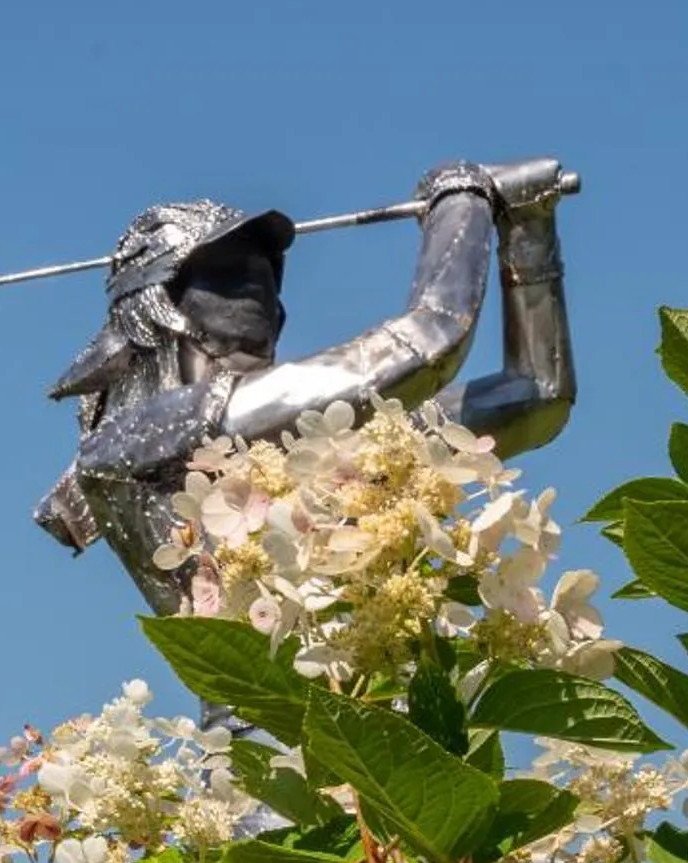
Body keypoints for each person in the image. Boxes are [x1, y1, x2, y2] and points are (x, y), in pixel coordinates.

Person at [33, 159, 576, 612]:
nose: (259, 277)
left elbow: (536, 396)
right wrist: (462, 198)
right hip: (263, 731)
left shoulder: (322, 444)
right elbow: (431, 339)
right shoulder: (132, 439)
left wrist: (530, 229)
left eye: (267, 266)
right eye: (223, 266)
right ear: (157, 300)